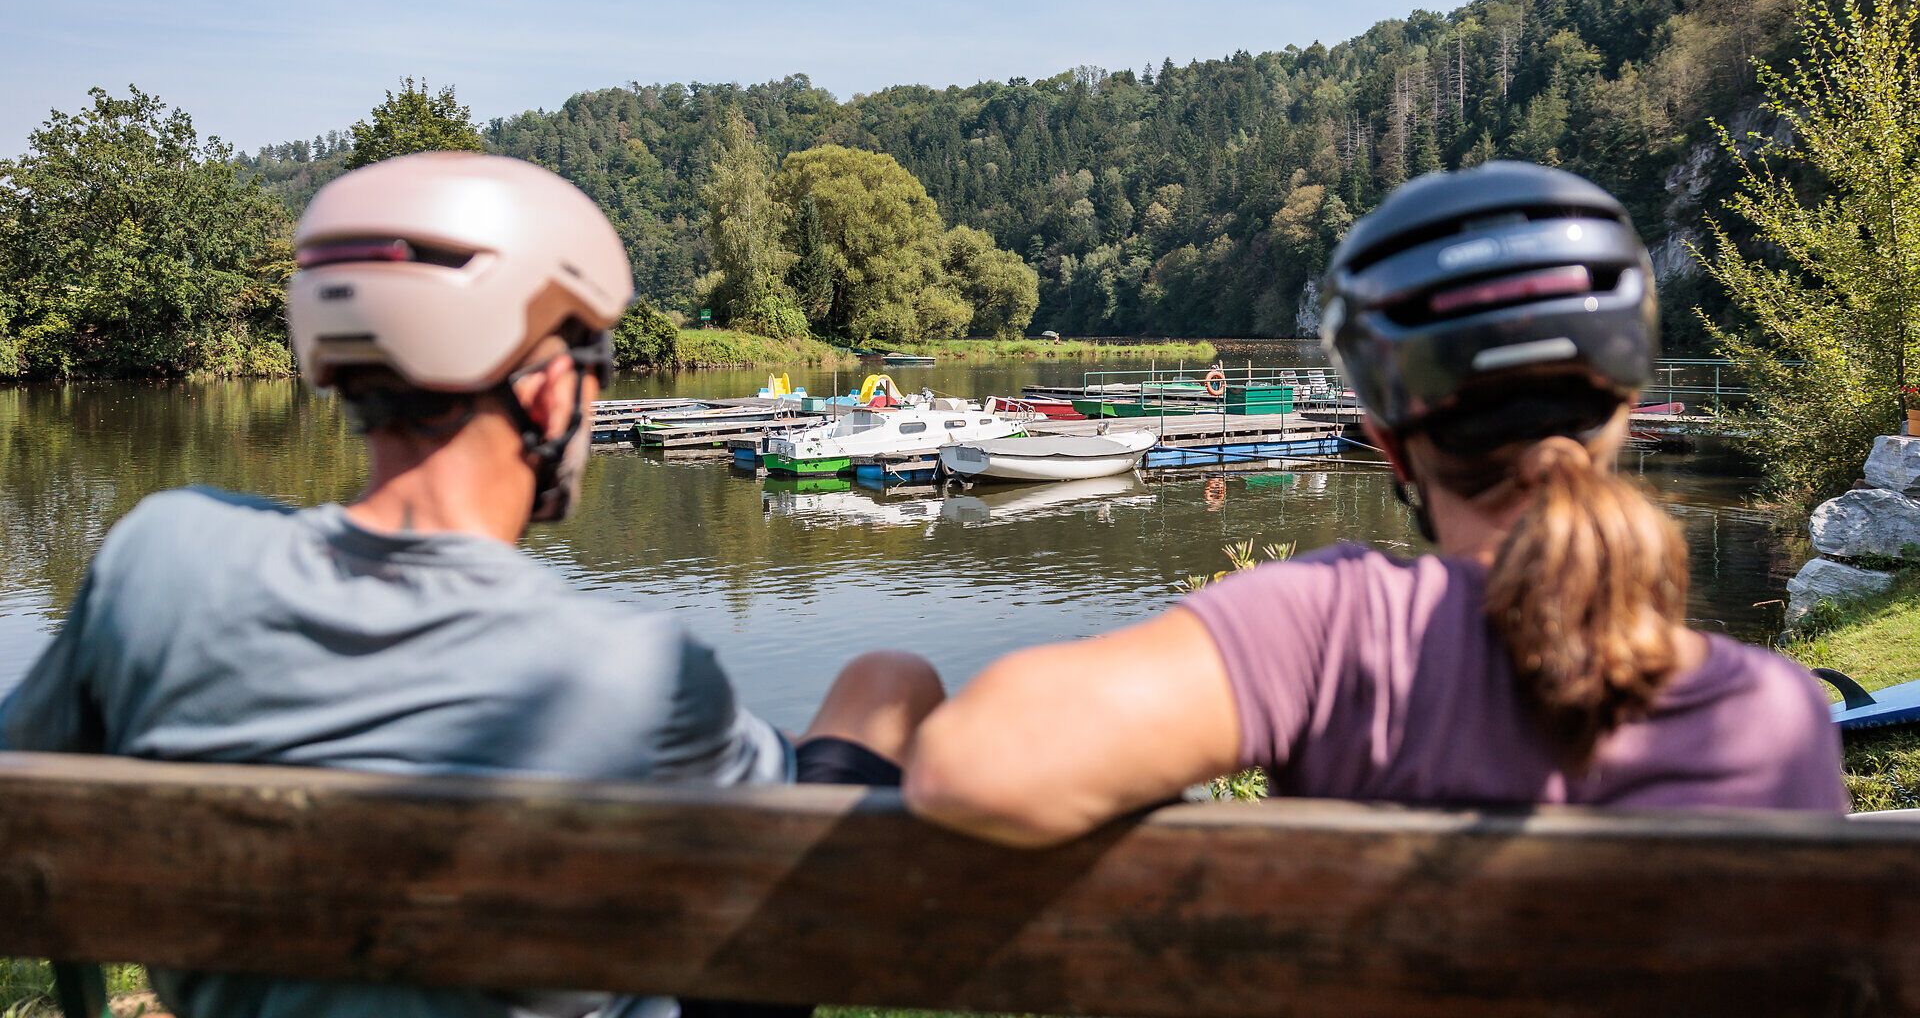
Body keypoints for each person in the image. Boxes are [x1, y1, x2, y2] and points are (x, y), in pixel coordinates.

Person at [0, 152, 943, 1016]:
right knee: (887, 682)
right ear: (548, 390)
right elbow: (794, 868)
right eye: (597, 372)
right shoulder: (630, 675)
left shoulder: (161, 558)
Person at [904, 160, 1846, 847]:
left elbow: (970, 765)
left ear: (1386, 440)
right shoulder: (1775, 720)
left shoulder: (1330, 631)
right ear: (1628, 407)